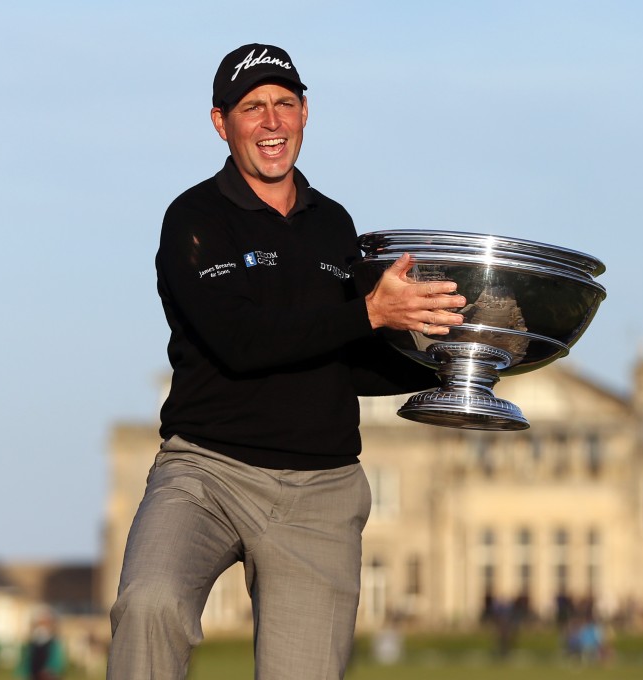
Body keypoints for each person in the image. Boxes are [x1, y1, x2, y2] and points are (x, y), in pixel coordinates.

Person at [106, 43, 466, 680]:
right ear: (222, 122)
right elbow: (241, 341)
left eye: (284, 104)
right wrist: (372, 314)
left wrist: (455, 364)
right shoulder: (193, 220)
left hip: (320, 490)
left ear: (305, 113)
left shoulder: (336, 227)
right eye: (253, 108)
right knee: (148, 603)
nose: (271, 121)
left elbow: (344, 363)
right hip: (206, 472)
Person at [16, 609, 66, 680]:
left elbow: (57, 661)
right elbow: (26, 661)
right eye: (40, 623)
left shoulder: (54, 642)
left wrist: (49, 671)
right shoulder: (32, 643)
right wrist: (23, 673)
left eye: (45, 623)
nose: (42, 626)